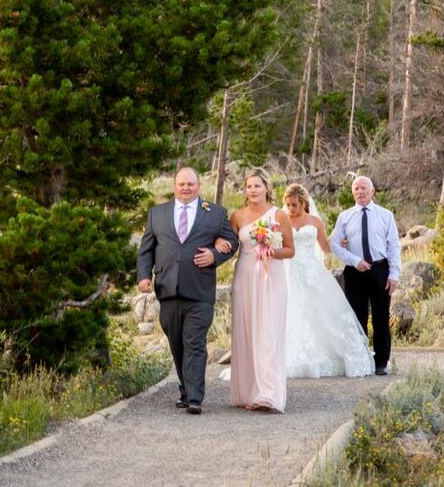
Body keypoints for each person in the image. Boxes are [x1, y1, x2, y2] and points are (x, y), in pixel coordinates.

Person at [137, 167, 238, 415]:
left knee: (194, 342)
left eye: (190, 184)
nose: (186, 188)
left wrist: (214, 255)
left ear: (198, 186)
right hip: (167, 288)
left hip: (199, 290)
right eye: (181, 184)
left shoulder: (215, 214)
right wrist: (143, 276)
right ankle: (186, 389)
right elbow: (146, 249)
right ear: (174, 186)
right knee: (177, 343)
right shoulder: (157, 214)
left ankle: (195, 397)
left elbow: (232, 242)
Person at [281, 183, 374, 378]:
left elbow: (325, 247)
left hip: (312, 271)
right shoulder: (282, 221)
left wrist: (339, 243)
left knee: (321, 310)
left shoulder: (315, 222)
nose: (291, 209)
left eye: (294, 205)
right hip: (290, 270)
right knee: (293, 309)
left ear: (303, 202)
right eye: (288, 205)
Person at [223, 169, 293, 412]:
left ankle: (269, 394)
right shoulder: (237, 216)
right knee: (247, 331)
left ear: (266, 188)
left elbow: (290, 250)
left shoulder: (279, 215)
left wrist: (271, 250)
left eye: (257, 186)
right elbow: (229, 245)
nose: (252, 190)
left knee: (269, 331)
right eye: (248, 186)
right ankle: (249, 391)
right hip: (244, 277)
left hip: (270, 276)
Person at [329, 175, 401, 375]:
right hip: (355, 272)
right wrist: (354, 260)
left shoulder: (385, 215)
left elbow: (394, 245)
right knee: (356, 317)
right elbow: (334, 244)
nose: (359, 192)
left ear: (372, 191)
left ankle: (381, 362)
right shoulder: (345, 216)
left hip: (380, 269)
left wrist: (394, 274)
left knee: (380, 318)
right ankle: (361, 360)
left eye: (363, 188)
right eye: (356, 188)